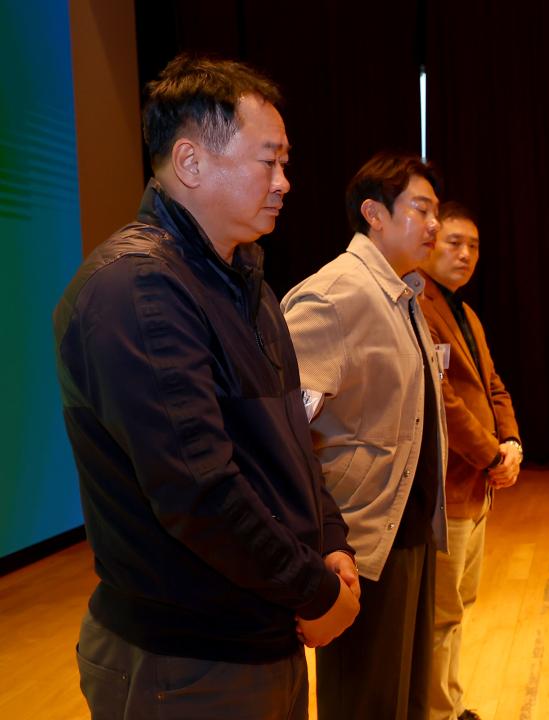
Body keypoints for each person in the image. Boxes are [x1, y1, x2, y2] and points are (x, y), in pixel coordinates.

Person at [53, 54, 359, 719]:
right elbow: (198, 491)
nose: (285, 182)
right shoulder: (137, 289)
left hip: (258, 639)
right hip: (189, 663)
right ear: (191, 163)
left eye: (284, 162)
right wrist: (315, 591)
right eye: (268, 161)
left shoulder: (246, 281)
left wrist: (330, 540)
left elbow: (286, 445)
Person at [281, 152, 449, 720]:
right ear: (373, 213)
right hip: (363, 540)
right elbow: (285, 431)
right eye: (421, 209)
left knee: (407, 698)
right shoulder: (334, 295)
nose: (434, 225)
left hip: (411, 527)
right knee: (366, 703)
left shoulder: (403, 294)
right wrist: (323, 539)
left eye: (436, 212)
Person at [416, 202, 522, 720]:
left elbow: (493, 385)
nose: (464, 254)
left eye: (473, 246)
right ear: (429, 241)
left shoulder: (465, 312)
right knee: (442, 614)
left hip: (477, 486)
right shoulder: (418, 304)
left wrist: (513, 443)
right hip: (449, 488)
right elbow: (442, 401)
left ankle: (449, 705)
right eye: (453, 242)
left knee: (458, 607)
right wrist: (490, 454)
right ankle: (438, 712)